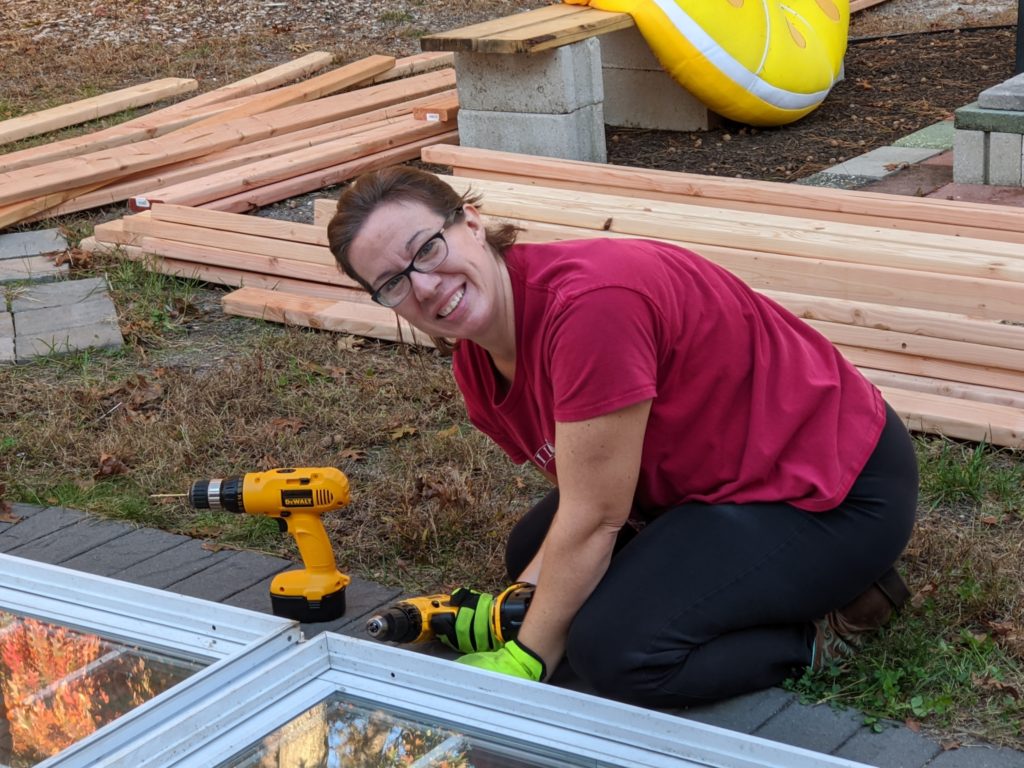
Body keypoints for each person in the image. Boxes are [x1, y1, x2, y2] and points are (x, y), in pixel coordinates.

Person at [327, 165, 919, 707]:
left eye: (427, 250)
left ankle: (823, 631)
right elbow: (592, 497)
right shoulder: (478, 365)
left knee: (613, 652)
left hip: (836, 492)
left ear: (472, 224)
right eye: (393, 283)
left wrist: (528, 657)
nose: (424, 286)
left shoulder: (590, 309)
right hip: (716, 482)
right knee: (530, 556)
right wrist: (521, 600)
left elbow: (595, 518)